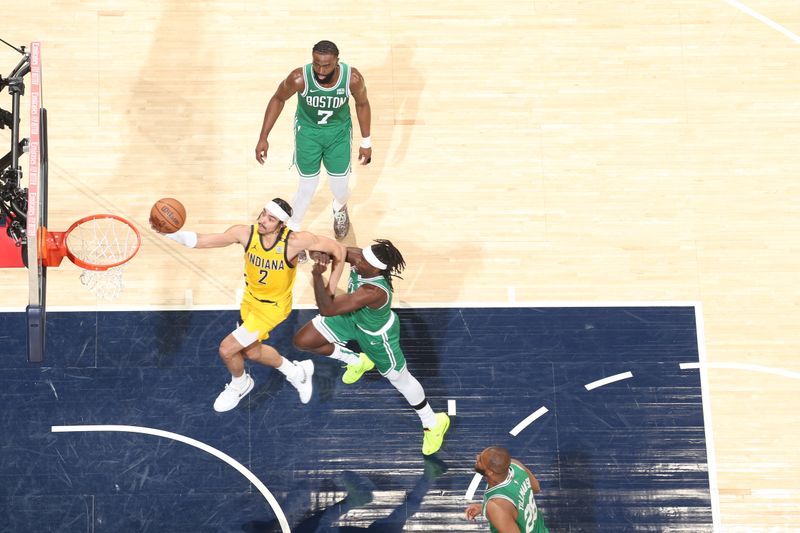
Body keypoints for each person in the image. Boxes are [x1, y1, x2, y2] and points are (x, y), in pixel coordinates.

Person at [159, 198, 346, 412]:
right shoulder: (246, 234)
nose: (263, 220)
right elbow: (204, 240)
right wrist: (169, 232)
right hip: (250, 302)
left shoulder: (295, 242)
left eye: (271, 218)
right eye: (263, 213)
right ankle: (298, 373)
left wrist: (330, 291)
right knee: (252, 353)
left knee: (227, 350)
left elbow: (339, 250)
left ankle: (241, 384)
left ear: (281, 225)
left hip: (273, 309)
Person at [292, 239, 450, 455]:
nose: (358, 260)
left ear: (375, 269)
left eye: (364, 260)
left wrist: (318, 274)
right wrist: (321, 253)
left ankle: (432, 422)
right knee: (303, 341)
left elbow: (327, 308)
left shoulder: (374, 291)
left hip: (377, 336)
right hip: (351, 318)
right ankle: (357, 361)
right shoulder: (362, 260)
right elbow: (332, 248)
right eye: (362, 255)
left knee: (400, 379)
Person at [254, 40, 372, 241]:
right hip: (308, 133)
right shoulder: (299, 78)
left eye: (326, 65)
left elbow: (362, 104)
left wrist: (366, 142)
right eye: (316, 63)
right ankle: (293, 229)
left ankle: (339, 207)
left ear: (337, 61)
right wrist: (263, 137)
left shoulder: (352, 79)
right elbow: (278, 98)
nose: (320, 69)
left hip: (338, 133)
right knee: (307, 187)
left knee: (341, 189)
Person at [465, 446, 549, 533]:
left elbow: (502, 506)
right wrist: (484, 508)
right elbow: (536, 488)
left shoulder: (496, 505)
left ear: (490, 472)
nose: (477, 457)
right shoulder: (515, 465)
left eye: (481, 460)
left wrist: (494, 510)